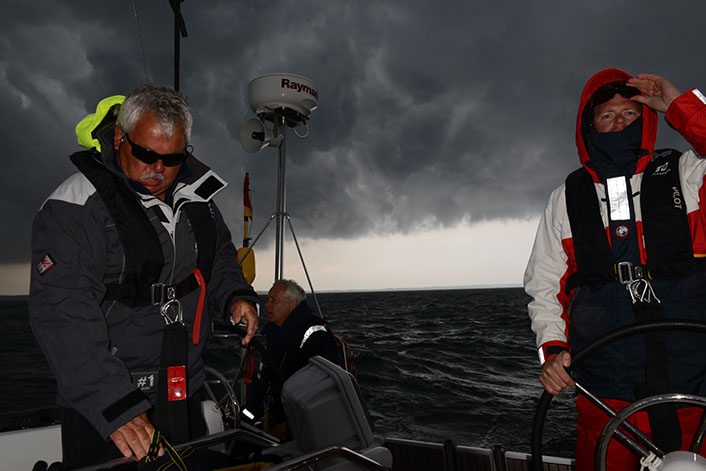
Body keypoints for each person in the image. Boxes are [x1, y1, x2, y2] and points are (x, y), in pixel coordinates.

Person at [28, 85, 260, 469]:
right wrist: (114, 404)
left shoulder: (197, 198)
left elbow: (219, 255)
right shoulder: (74, 206)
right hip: (110, 400)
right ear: (120, 137)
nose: (158, 169)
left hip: (183, 385)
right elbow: (62, 311)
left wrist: (236, 295)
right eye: (146, 155)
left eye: (172, 159)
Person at [524, 69, 706, 469]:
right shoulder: (565, 199)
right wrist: (551, 351)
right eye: (607, 114)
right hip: (604, 390)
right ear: (589, 126)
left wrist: (680, 105)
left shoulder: (689, 174)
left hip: (694, 382)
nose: (619, 121)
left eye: (630, 113)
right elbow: (544, 285)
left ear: (648, 119)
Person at [253, 279, 339, 440]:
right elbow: (260, 386)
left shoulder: (316, 336)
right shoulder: (274, 336)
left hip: (304, 428)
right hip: (275, 421)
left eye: (273, 300)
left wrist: (290, 424)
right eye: (268, 299)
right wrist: (244, 418)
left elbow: (324, 389)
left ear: (292, 304)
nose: (266, 304)